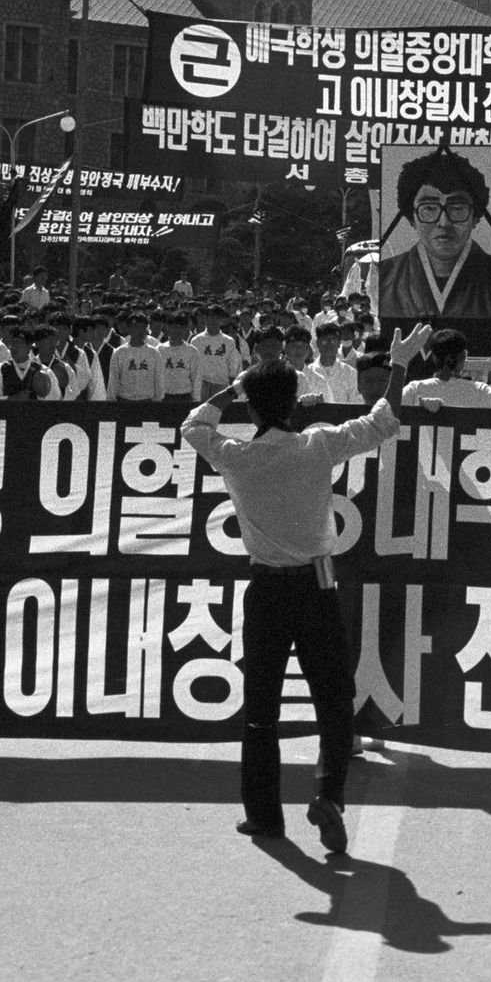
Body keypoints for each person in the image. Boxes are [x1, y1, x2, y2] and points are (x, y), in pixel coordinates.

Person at [182, 328, 429, 853]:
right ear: (296, 403)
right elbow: (384, 421)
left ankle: (265, 817)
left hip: (265, 590)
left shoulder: (236, 457)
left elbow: (193, 425)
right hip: (317, 586)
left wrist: (234, 391)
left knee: (260, 711)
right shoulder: (317, 446)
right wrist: (401, 364)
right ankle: (328, 795)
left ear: (252, 411)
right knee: (335, 702)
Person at [375, 149, 491, 326]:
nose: (444, 223)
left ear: (476, 218)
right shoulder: (385, 276)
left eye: (457, 208)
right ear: (411, 218)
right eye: (429, 208)